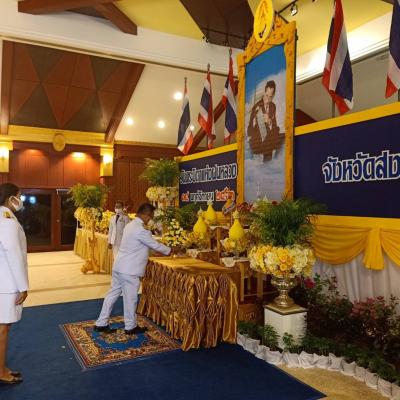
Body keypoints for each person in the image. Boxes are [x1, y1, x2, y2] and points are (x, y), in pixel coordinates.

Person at [95, 203, 171, 335]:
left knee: (112, 294)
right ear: (146, 214)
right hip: (129, 270)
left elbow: (139, 246)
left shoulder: (130, 225)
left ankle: (101, 323)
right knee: (130, 298)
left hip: (119, 266)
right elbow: (154, 245)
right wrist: (170, 250)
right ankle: (130, 326)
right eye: (151, 216)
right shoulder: (140, 229)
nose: (150, 219)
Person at [0, 183, 29, 385]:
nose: (21, 200)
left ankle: (1, 367)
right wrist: (23, 286)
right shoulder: (7, 221)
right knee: (3, 328)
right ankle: (0, 372)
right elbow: (14, 255)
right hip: (7, 283)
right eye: (19, 196)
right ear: (10, 198)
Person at [247, 80, 282, 162]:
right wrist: (256, 122)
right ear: (264, 92)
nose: (268, 99)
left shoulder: (273, 106)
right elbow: (250, 129)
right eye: (266, 95)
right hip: (258, 138)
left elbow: (274, 125)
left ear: (273, 96)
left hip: (269, 139)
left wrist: (269, 122)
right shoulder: (257, 107)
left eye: (270, 97)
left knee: (281, 136)